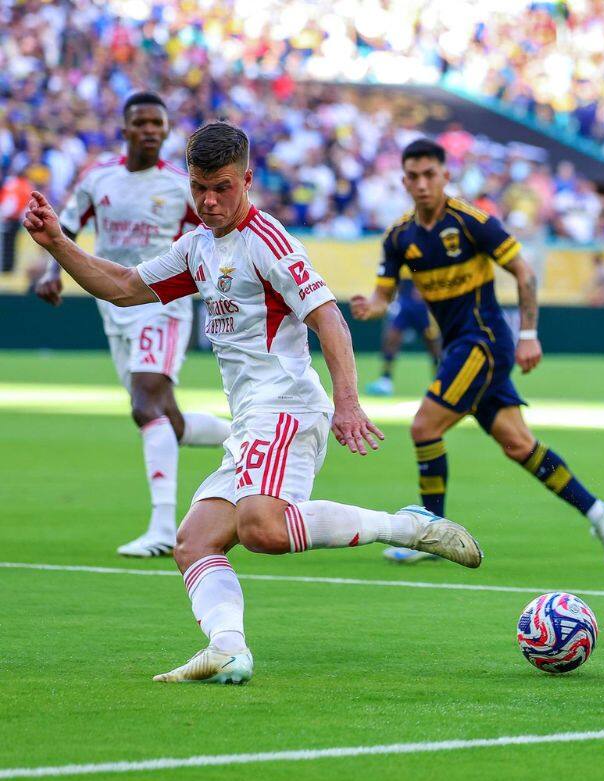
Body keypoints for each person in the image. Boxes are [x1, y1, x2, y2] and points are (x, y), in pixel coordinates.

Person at [22, 121, 483, 685]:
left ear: (247, 179)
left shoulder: (269, 241)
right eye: (198, 189)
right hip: (251, 420)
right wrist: (59, 243)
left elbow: (328, 317)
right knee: (195, 541)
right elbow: (122, 285)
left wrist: (348, 403)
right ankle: (229, 648)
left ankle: (407, 528)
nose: (209, 201)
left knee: (262, 529)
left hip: (287, 406)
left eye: (221, 187)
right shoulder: (197, 247)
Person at [352, 139, 604, 566]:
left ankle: (433, 534)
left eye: (430, 175)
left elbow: (523, 269)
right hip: (460, 349)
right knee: (519, 445)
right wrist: (371, 307)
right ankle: (599, 510)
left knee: (424, 427)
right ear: (404, 180)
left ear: (446, 176)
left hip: (482, 341)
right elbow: (382, 295)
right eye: (414, 177)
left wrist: (529, 333)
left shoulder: (471, 222)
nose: (422, 184)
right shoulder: (399, 237)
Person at [33, 92, 233, 558]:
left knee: (145, 405)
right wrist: (50, 272)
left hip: (163, 303)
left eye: (157, 123)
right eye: (140, 122)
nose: (149, 130)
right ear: (125, 129)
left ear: (165, 131)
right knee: (167, 419)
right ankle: (248, 436)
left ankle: (164, 528)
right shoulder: (98, 178)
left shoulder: (182, 185)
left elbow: (217, 230)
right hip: (114, 302)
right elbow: (65, 231)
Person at [365, 263, 441, 397]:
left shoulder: (429, 245)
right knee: (391, 336)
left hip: (424, 302)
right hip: (404, 301)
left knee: (433, 342)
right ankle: (385, 381)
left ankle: (440, 381)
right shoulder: (398, 245)